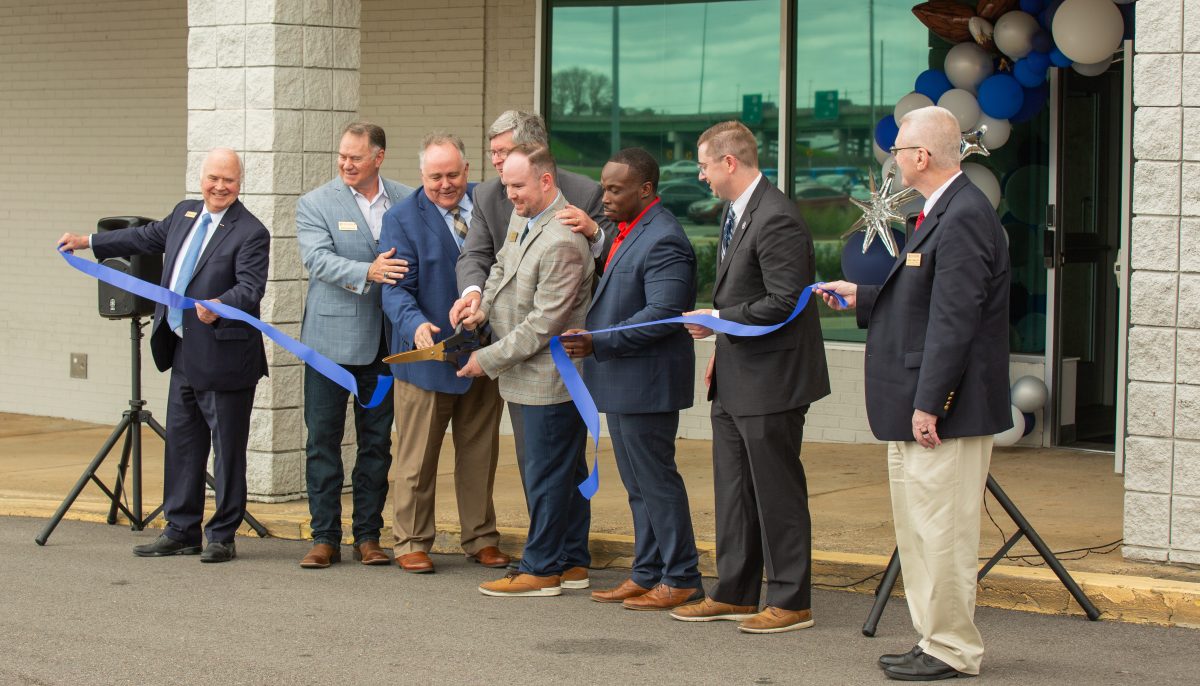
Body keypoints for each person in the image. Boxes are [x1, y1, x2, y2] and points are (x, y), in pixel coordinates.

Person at [817, 105, 1011, 680]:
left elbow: (955, 321)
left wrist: (931, 403)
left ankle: (952, 648)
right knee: (921, 531)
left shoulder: (965, 214)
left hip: (942, 409)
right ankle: (932, 639)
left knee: (943, 534)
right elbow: (924, 295)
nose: (894, 161)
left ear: (921, 157)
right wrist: (866, 296)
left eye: (899, 151)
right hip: (918, 404)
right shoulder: (938, 211)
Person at [57, 148, 269, 563]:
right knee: (184, 445)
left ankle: (222, 536)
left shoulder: (251, 231)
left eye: (228, 180)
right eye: (213, 178)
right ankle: (181, 530)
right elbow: (143, 237)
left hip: (225, 358)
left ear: (240, 183)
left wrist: (220, 303)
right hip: (183, 350)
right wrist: (89, 242)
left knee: (227, 451)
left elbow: (250, 288)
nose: (219, 186)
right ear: (201, 178)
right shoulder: (185, 214)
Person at [673, 121, 830, 633]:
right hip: (738, 375)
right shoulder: (736, 212)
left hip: (774, 380)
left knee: (776, 490)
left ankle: (792, 600)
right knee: (735, 489)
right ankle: (736, 592)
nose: (701, 177)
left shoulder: (777, 217)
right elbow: (744, 296)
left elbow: (787, 300)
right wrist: (722, 335)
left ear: (729, 163)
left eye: (703, 166)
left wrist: (718, 321)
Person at [454, 109, 606, 589]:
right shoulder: (528, 217)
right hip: (529, 375)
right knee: (561, 470)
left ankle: (542, 570)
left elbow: (544, 324)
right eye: (506, 185)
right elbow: (499, 268)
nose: (508, 195)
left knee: (544, 476)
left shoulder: (561, 238)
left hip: (547, 376)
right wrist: (478, 308)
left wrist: (487, 357)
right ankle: (571, 560)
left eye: (517, 186)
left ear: (544, 180)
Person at [560, 148, 703, 611]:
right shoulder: (628, 231)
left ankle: (681, 576)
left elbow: (663, 314)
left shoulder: (665, 238)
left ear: (645, 190)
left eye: (615, 188)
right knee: (638, 485)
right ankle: (647, 573)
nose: (605, 196)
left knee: (656, 483)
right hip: (625, 382)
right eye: (603, 185)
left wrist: (599, 341)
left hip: (648, 383)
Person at [379, 133, 509, 574]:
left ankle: (481, 538)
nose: (445, 184)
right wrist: (415, 326)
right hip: (427, 359)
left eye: (453, 174)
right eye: (436, 176)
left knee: (480, 455)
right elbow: (394, 289)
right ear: (422, 176)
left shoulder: (492, 203)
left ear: (468, 171)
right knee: (416, 460)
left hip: (483, 356)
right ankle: (412, 540)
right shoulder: (400, 217)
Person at [294, 122, 413, 569]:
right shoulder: (315, 202)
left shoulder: (406, 197)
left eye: (356, 157)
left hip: (385, 350)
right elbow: (316, 259)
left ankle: (368, 536)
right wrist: (369, 272)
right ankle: (323, 536)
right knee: (322, 440)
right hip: (328, 346)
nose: (346, 163)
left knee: (376, 443)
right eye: (342, 155)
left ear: (378, 157)